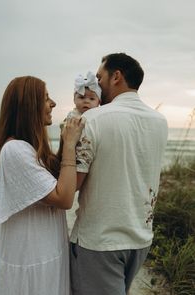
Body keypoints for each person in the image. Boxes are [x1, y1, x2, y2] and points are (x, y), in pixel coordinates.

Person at [70, 53, 168, 295]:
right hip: (140, 239)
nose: (97, 84)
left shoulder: (93, 119)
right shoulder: (160, 121)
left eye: (100, 77)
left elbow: (73, 183)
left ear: (116, 76)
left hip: (100, 241)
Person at [0, 76, 84, 295]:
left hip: (45, 253)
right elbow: (64, 197)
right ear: (29, 106)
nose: (53, 104)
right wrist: (68, 145)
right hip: (30, 259)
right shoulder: (15, 151)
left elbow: (62, 181)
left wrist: (64, 143)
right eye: (46, 98)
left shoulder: (30, 149)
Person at [57, 71, 101, 161]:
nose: (86, 101)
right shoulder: (72, 116)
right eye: (81, 97)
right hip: (72, 154)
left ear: (98, 102)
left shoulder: (98, 117)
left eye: (92, 98)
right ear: (74, 99)